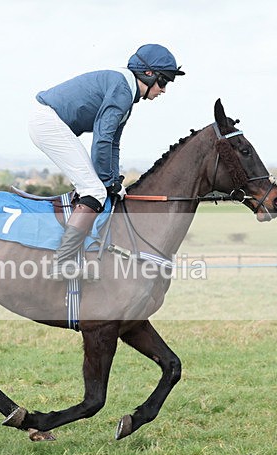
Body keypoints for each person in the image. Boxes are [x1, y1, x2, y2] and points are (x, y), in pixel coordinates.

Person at [28, 44, 185, 279]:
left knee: (99, 187)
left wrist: (114, 180)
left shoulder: (126, 93)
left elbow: (113, 143)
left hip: (50, 122)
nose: (163, 90)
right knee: (94, 190)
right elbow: (102, 139)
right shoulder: (122, 89)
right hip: (48, 122)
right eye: (164, 82)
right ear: (148, 74)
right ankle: (62, 263)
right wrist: (105, 181)